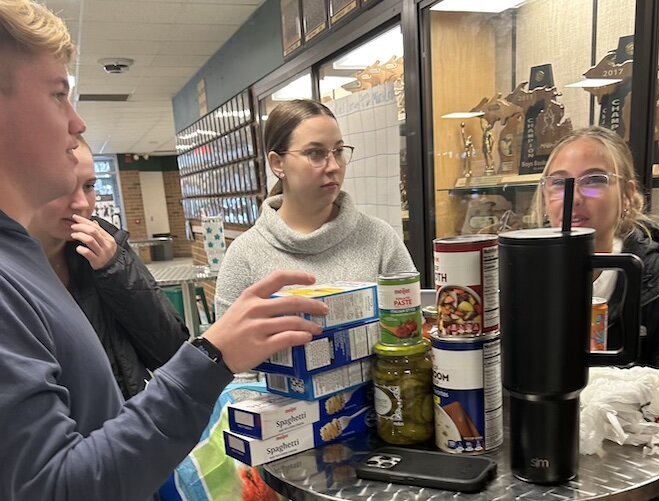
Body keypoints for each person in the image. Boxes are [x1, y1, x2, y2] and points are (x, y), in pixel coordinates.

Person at [0, 2, 327, 499]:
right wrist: (213, 357)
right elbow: (51, 486)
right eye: (57, 95)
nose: (77, 123)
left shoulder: (26, 258)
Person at [531, 126, 659, 425]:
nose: (573, 196)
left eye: (595, 180)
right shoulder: (519, 282)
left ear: (627, 195)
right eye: (559, 183)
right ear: (546, 197)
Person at [215, 99, 416, 317]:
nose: (334, 166)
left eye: (338, 150)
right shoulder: (245, 254)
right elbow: (226, 345)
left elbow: (410, 329)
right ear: (277, 163)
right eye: (315, 153)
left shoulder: (379, 238)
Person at [28, 138, 189, 399]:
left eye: (89, 186)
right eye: (62, 187)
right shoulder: (13, 266)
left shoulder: (110, 244)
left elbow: (171, 351)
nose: (81, 203)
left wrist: (115, 269)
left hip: (123, 421)